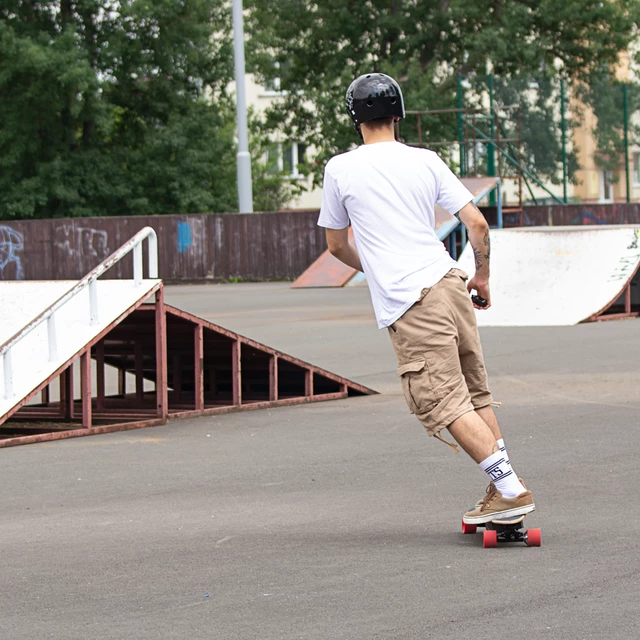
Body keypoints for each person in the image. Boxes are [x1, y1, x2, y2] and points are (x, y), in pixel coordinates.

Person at [317, 72, 535, 524]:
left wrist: (374, 269)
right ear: (399, 114)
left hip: (412, 301)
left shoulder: (340, 168)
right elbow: (477, 224)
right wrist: (483, 277)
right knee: (474, 395)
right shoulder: (427, 160)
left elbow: (336, 246)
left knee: (441, 400)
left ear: (354, 119)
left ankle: (512, 489)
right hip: (451, 283)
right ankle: (500, 491)